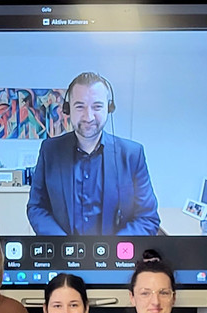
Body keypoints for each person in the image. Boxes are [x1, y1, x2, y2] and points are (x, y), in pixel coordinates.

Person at [27, 71, 161, 236]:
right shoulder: (50, 151)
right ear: (68, 109)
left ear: (109, 108)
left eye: (97, 106)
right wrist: (63, 245)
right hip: (63, 257)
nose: (88, 116)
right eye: (80, 106)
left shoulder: (132, 155)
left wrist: (111, 250)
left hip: (116, 259)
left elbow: (147, 218)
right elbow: (36, 208)